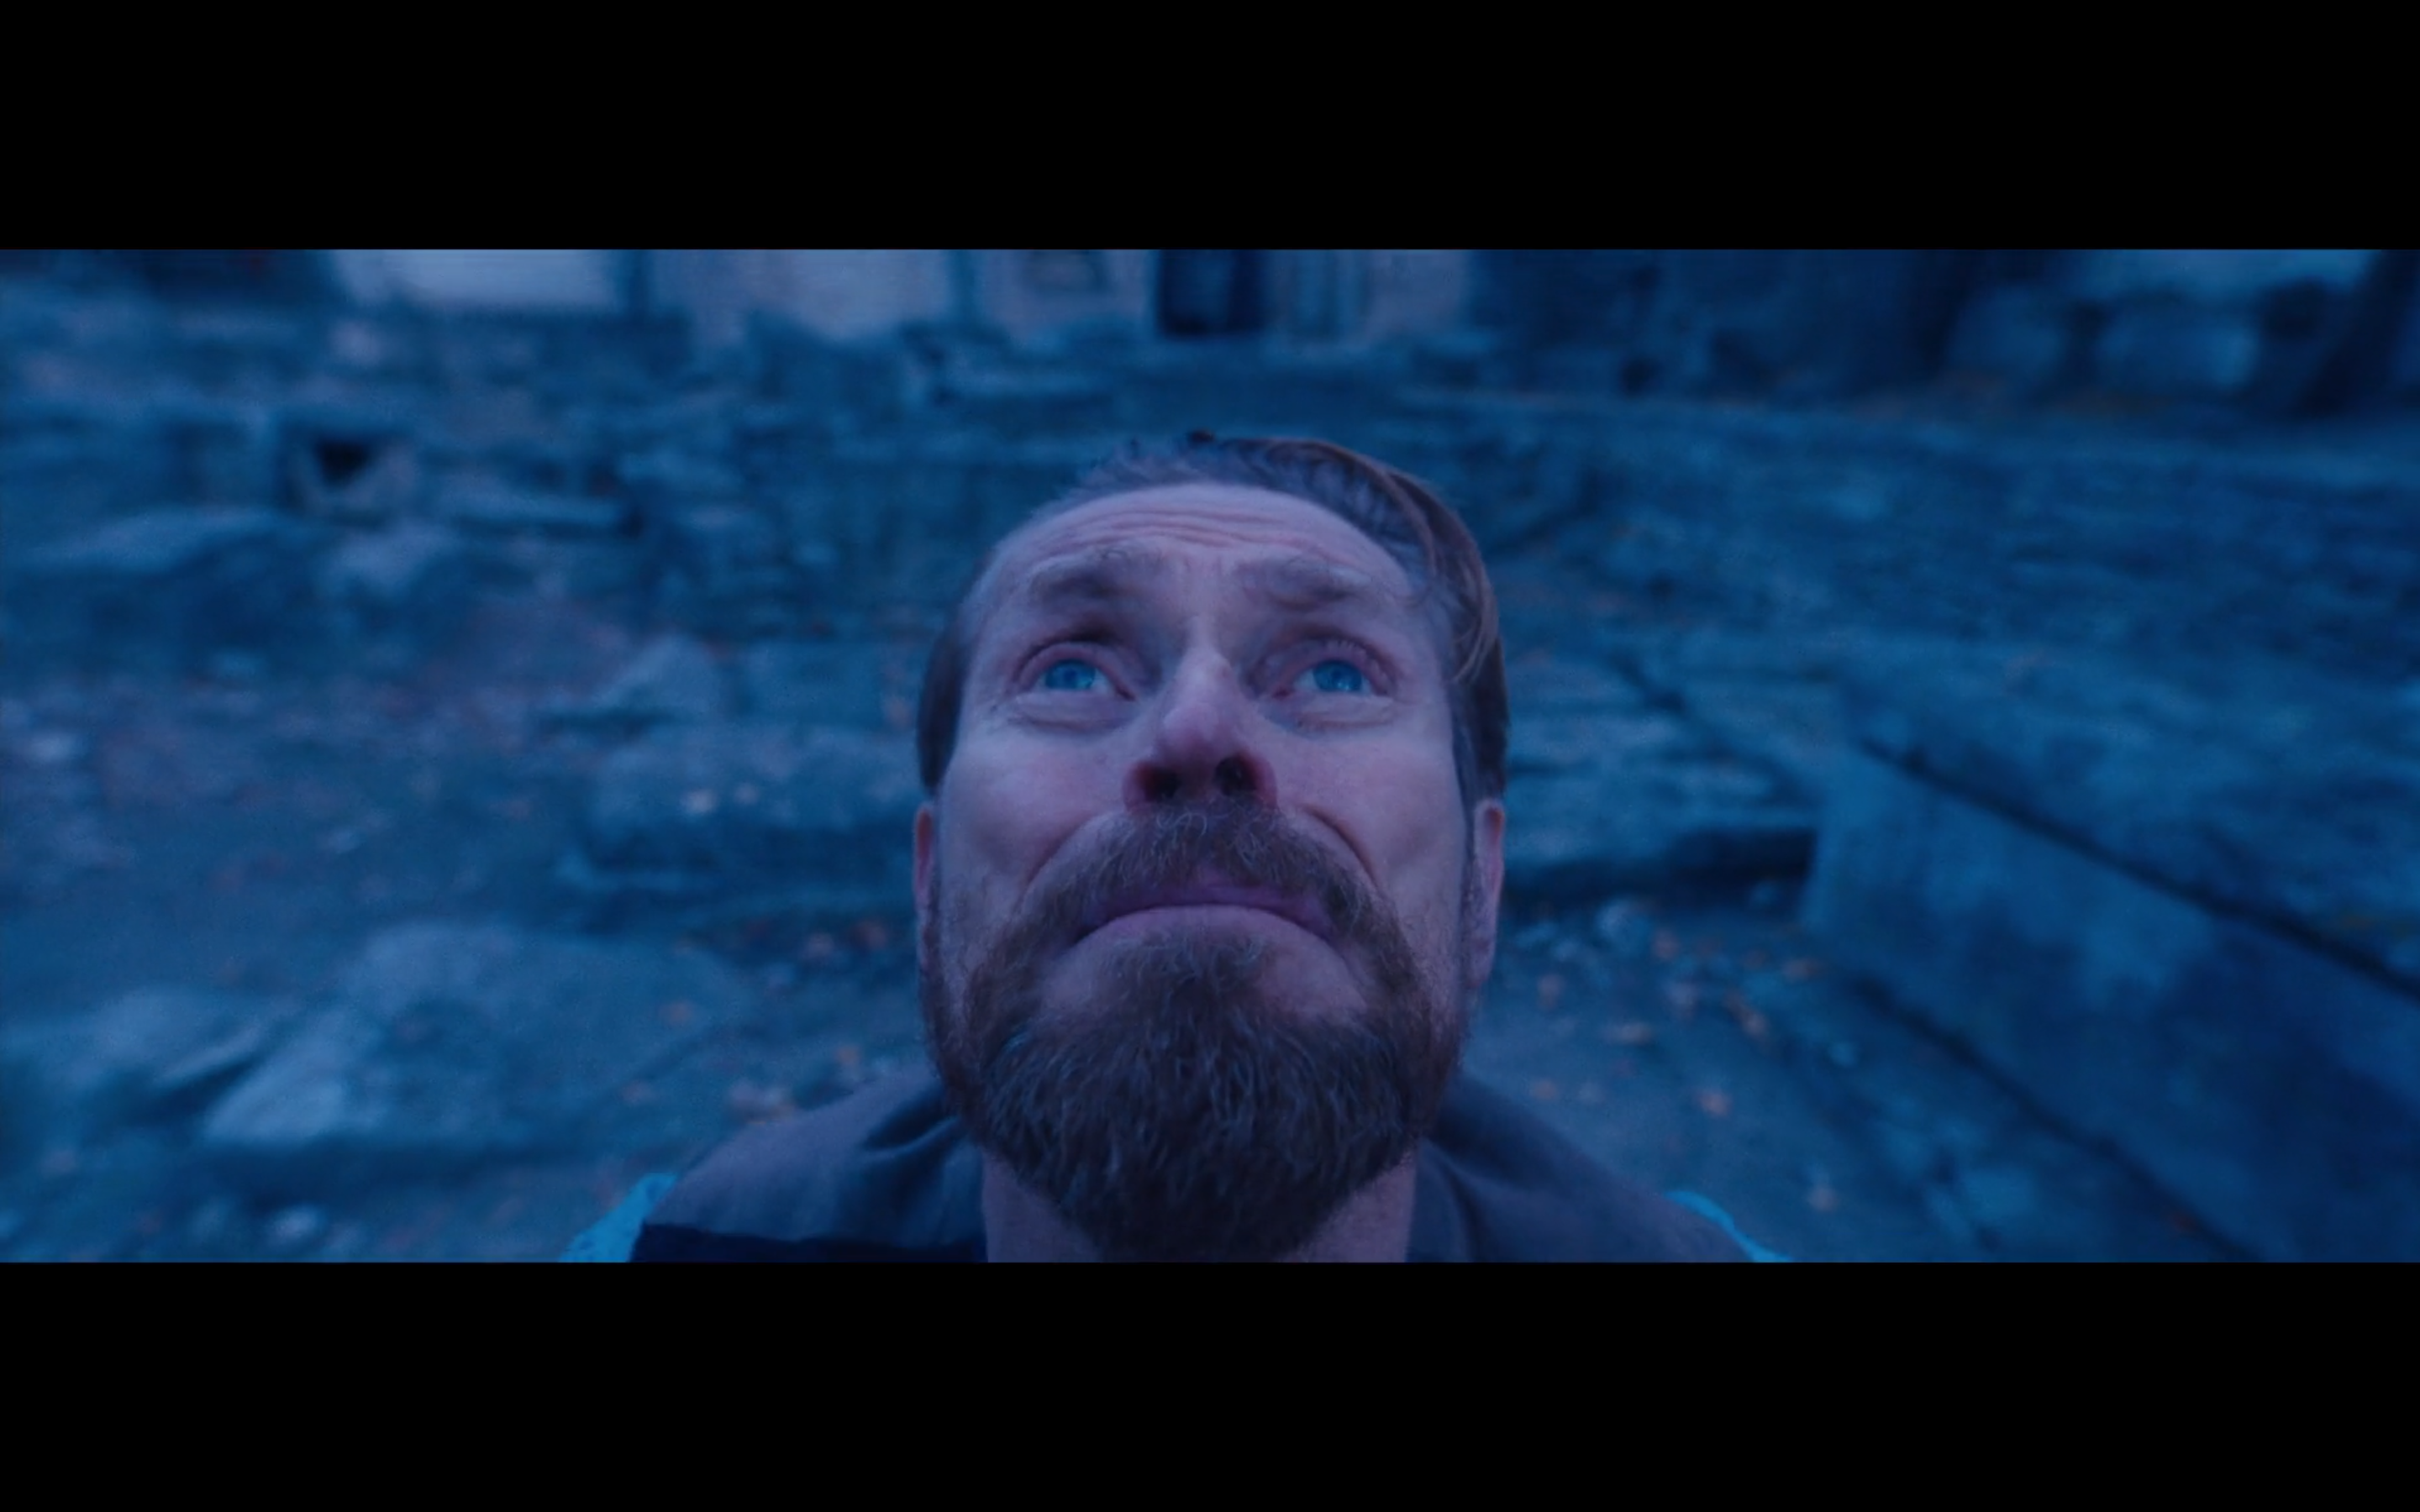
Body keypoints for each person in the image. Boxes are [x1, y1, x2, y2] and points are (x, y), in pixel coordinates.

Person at [581, 434, 1774, 1262]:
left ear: (1484, 882)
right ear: (931, 882)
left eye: (1336, 673)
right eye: (1071, 672)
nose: (1198, 731)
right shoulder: (683, 1246)